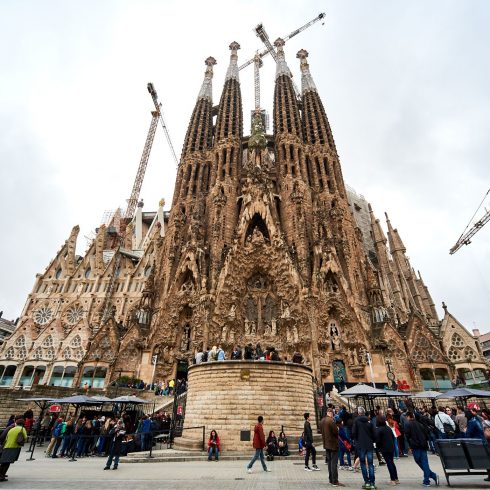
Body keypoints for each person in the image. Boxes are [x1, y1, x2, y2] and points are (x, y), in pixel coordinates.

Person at [405, 411, 439, 487]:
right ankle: (430, 477)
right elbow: (426, 435)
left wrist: (410, 447)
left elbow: (407, 436)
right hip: (423, 445)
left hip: (415, 446)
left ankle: (429, 479)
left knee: (419, 461)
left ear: (408, 416)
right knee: (424, 462)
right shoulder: (420, 424)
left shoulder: (408, 424)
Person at [352, 406, 376, 489]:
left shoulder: (356, 422)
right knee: (370, 464)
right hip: (369, 444)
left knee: (362, 463)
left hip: (360, 445)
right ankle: (372, 483)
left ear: (358, 413)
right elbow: (374, 434)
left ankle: (367, 482)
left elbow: (353, 433)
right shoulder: (369, 422)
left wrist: (356, 440)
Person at [320, 408, 343, 486]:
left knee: (330, 463)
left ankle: (330, 479)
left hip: (326, 444)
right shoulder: (331, 421)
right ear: (331, 413)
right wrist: (338, 428)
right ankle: (335, 481)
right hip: (333, 444)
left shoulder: (322, 421)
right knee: (334, 463)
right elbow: (336, 432)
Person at [0, 417, 27, 482]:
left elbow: (6, 438)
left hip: (6, 446)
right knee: (7, 463)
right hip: (14, 447)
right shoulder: (22, 429)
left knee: (4, 462)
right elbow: (25, 438)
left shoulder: (12, 429)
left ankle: (1, 475)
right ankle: (1, 476)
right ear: (23, 424)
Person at [376, 415, 399, 486]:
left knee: (389, 463)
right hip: (391, 447)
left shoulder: (379, 429)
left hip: (384, 448)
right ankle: (396, 478)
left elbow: (378, 440)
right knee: (391, 462)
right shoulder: (388, 428)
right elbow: (392, 437)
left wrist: (378, 447)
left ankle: (392, 480)